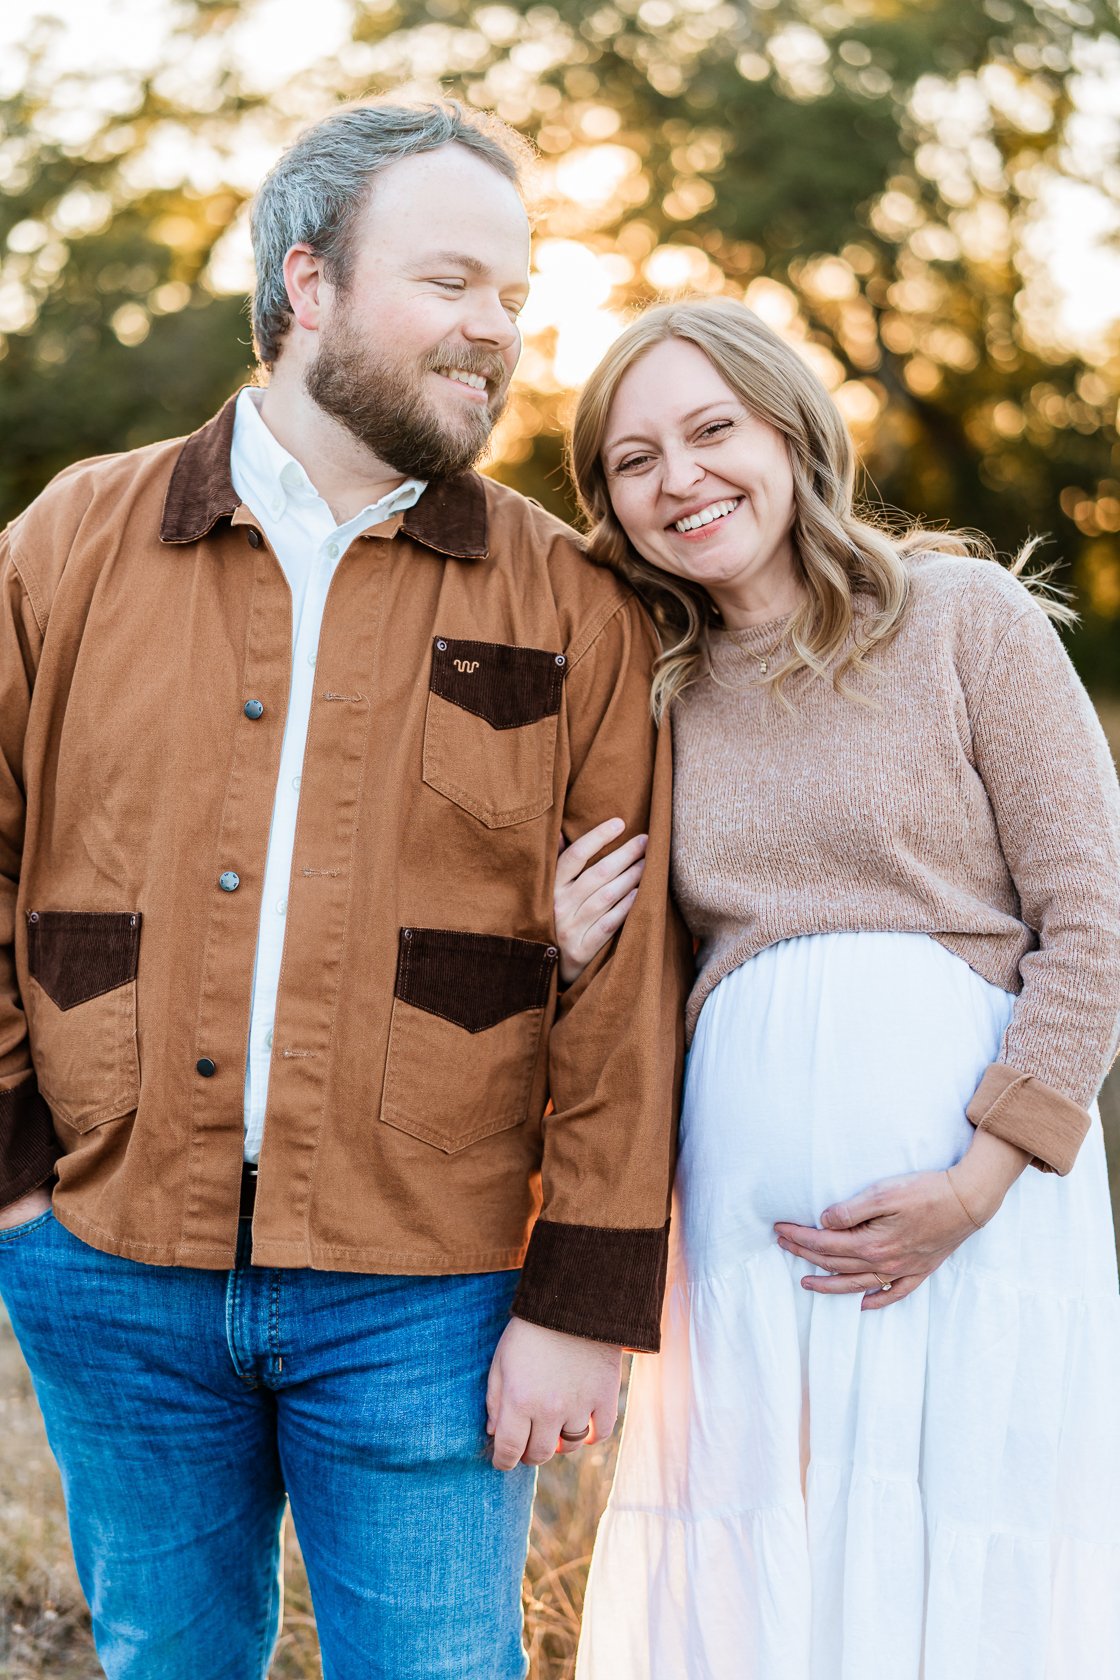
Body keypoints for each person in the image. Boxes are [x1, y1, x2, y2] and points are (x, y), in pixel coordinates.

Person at [0, 101, 689, 1680]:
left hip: (432, 1287)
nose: (497, 331)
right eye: (453, 283)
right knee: (165, 1657)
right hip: (107, 1258)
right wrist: (15, 1183)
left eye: (515, 296)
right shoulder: (69, 544)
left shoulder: (573, 601)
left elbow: (627, 973)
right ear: (305, 283)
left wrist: (583, 1290)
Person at [552, 297, 1120, 1678]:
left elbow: (1090, 921)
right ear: (609, 505)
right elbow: (633, 983)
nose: (680, 479)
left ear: (792, 432)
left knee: (960, 1551)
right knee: (766, 1581)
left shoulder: (962, 618)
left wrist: (979, 1185)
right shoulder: (653, 693)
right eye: (635, 461)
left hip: (978, 1215)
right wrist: (566, 947)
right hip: (747, 1239)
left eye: (709, 430)